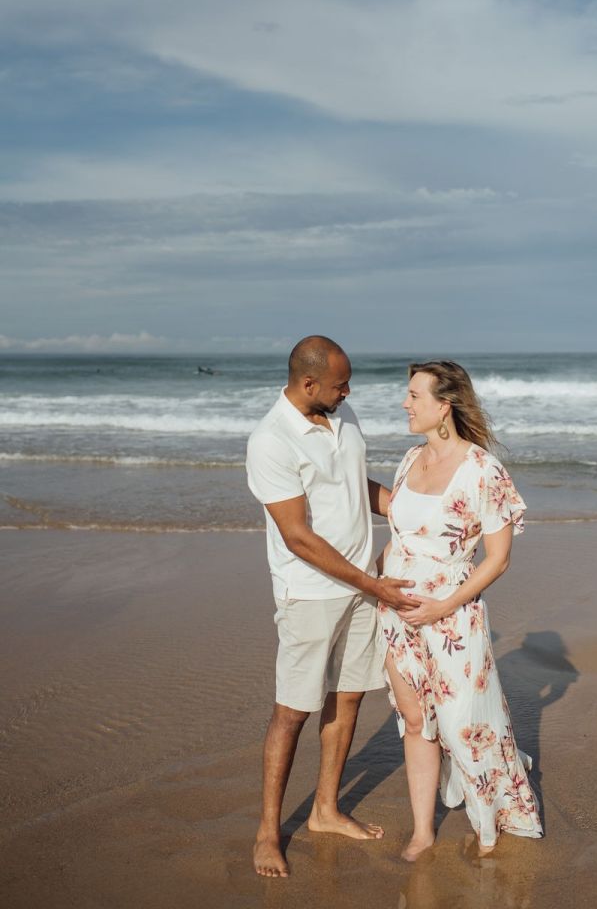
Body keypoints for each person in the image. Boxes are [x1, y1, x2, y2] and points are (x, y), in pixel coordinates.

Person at [246, 335, 417, 878]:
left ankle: (325, 809)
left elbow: (350, 481)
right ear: (309, 383)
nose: (350, 391)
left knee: (347, 701)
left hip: (361, 588)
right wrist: (374, 583)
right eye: (341, 384)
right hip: (310, 595)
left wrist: (397, 505)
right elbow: (297, 536)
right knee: (293, 712)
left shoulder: (341, 414)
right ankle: (268, 833)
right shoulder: (271, 441)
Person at [377, 360, 543, 860]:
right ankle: (423, 830)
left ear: (443, 405)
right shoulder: (410, 459)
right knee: (414, 720)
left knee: (460, 725)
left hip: (451, 616)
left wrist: (442, 606)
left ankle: (494, 807)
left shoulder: (482, 471)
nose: (405, 404)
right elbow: (395, 512)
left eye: (414, 396)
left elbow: (498, 558)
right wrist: (333, 474)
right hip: (396, 613)